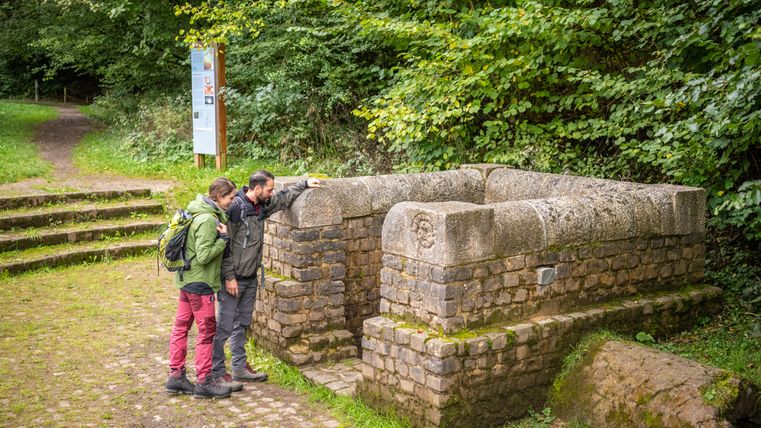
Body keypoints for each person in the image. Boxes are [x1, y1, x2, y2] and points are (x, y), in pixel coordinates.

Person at [212, 170, 320, 388]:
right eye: (269, 189)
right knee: (223, 326)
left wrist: (305, 183)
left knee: (242, 324)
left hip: (250, 277)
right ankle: (215, 372)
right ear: (257, 188)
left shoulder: (262, 206)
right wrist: (229, 277)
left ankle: (239, 368)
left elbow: (284, 198)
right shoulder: (234, 209)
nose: (272, 193)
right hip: (232, 279)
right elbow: (224, 246)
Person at [165, 177, 237, 399]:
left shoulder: (195, 210)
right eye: (231, 198)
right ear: (219, 196)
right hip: (200, 284)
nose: (232, 202)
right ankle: (204, 381)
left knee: (180, 328)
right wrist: (223, 238)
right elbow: (204, 255)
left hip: (186, 280)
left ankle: (176, 376)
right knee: (206, 332)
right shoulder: (207, 219)